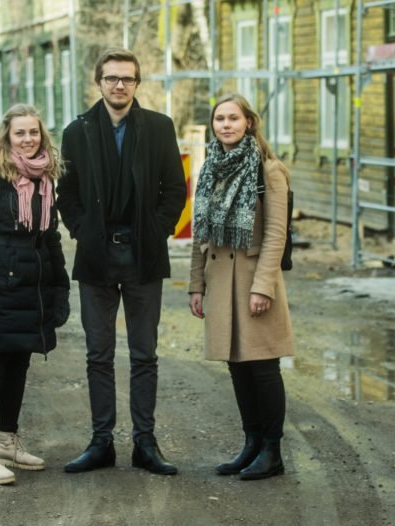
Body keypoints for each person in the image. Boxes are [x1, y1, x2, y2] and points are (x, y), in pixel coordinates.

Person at [56, 48, 186, 475]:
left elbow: (175, 191)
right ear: (99, 82)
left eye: (127, 79)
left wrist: (157, 230)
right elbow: (67, 195)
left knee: (144, 353)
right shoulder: (77, 131)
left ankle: (145, 444)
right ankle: (101, 443)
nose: (119, 85)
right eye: (111, 78)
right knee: (98, 354)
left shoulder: (158, 128)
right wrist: (82, 231)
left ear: (137, 83)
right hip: (97, 255)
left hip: (142, 253)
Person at [0, 104, 70, 485]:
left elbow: (50, 238)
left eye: (34, 132)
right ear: (7, 135)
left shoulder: (44, 179)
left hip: (31, 291)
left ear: (42, 135)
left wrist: (60, 287)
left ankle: (7, 440)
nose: (28, 138)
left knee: (19, 365)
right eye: (20, 133)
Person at [188, 93, 294, 481]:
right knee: (237, 367)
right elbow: (201, 232)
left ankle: (272, 451)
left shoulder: (269, 170)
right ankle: (251, 443)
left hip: (253, 280)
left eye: (233, 118)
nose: (226, 125)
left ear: (249, 122)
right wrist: (195, 284)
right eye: (220, 119)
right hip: (219, 280)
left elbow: (276, 234)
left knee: (263, 367)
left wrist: (263, 287)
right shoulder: (211, 167)